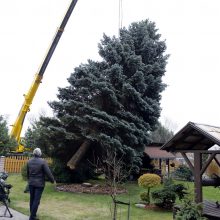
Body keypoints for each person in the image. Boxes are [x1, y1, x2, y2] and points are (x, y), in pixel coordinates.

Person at [27, 148, 55, 220]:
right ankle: (32, 217)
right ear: (40, 154)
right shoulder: (42, 162)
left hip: (31, 183)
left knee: (32, 199)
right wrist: (52, 181)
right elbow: (48, 173)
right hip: (39, 184)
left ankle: (33, 215)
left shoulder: (29, 161)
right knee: (36, 200)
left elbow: (28, 173)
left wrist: (29, 180)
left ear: (33, 153)